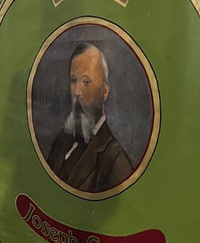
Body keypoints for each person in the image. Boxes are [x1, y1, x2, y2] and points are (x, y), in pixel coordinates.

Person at [46, 42, 134, 193]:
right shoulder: (61, 142)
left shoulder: (116, 162)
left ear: (105, 91)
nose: (77, 92)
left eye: (86, 82)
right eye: (73, 80)